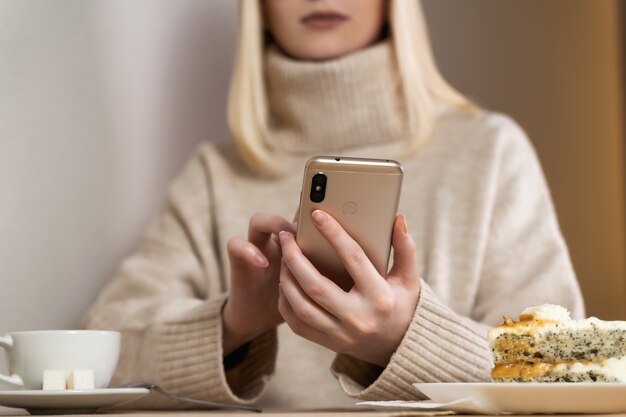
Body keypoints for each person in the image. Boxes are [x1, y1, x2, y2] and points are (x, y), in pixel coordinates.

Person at [82, 0, 584, 410]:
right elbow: (94, 353)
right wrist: (235, 324)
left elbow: (565, 370)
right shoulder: (215, 175)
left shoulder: (490, 152)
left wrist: (404, 339)